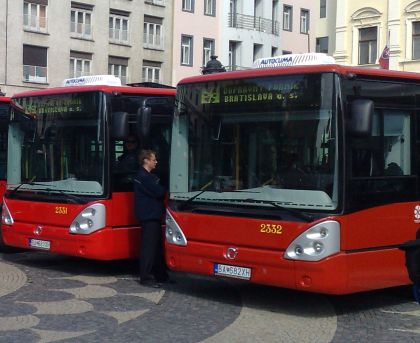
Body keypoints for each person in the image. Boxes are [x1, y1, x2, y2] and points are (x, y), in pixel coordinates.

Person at [134, 149, 169, 287]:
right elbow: (159, 191)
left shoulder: (146, 176)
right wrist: (163, 186)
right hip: (149, 216)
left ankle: (161, 275)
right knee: (148, 248)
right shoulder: (143, 177)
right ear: (146, 160)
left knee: (157, 248)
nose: (156, 162)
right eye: (153, 159)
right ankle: (146, 277)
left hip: (153, 216)